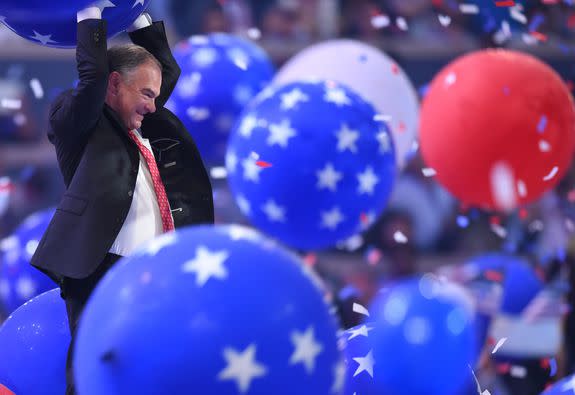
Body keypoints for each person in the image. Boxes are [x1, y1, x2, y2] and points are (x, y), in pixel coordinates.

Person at [29, 4, 214, 394]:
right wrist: (90, 13)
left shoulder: (142, 124)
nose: (152, 105)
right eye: (145, 93)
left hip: (152, 271)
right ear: (115, 85)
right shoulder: (79, 122)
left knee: (153, 369)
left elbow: (167, 72)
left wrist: (137, 20)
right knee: (93, 365)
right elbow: (93, 77)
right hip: (100, 268)